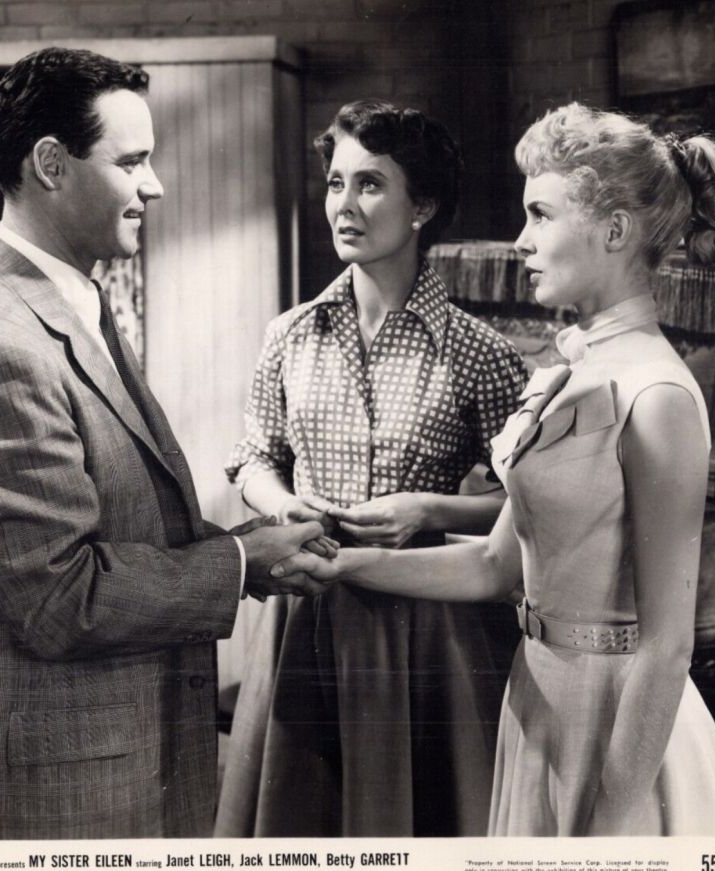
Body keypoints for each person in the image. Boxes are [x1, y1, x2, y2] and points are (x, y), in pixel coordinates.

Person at [271, 103, 715, 836]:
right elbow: (495, 567)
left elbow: (668, 646)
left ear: (615, 231)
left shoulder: (657, 395)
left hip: (619, 727)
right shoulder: (572, 368)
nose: (521, 240)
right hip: (536, 699)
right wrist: (343, 565)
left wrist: (610, 830)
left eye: (540, 215)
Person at [0, 47, 330, 840]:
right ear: (51, 164)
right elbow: (60, 599)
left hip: (122, 765)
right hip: (58, 801)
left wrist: (249, 543)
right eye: (132, 161)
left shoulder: (73, 299)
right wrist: (240, 562)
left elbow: (120, 524)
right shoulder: (0, 346)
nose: (156, 185)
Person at [215, 100, 527, 836]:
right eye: (336, 182)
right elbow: (254, 457)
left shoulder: (480, 353)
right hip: (304, 612)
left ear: (422, 206)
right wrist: (282, 503)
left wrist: (429, 509)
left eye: (370, 184)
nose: (344, 205)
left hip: (425, 623)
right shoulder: (290, 334)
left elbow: (531, 503)